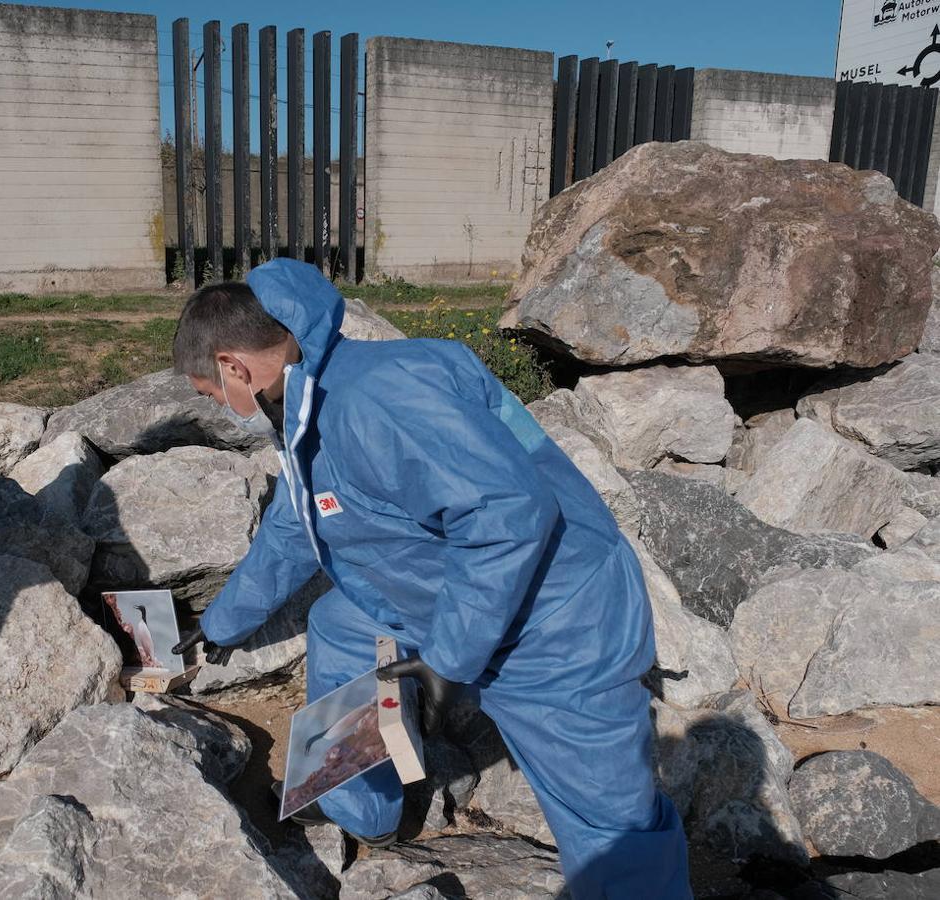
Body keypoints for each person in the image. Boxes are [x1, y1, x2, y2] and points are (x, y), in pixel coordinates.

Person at [171, 258, 692, 899]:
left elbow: (508, 514)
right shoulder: (312, 402)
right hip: (445, 590)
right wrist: (220, 625)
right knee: (338, 625)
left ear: (233, 366)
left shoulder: (376, 400)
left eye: (212, 393)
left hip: (556, 623)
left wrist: (448, 656)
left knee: (612, 827)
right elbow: (295, 528)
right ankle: (360, 808)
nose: (223, 407)